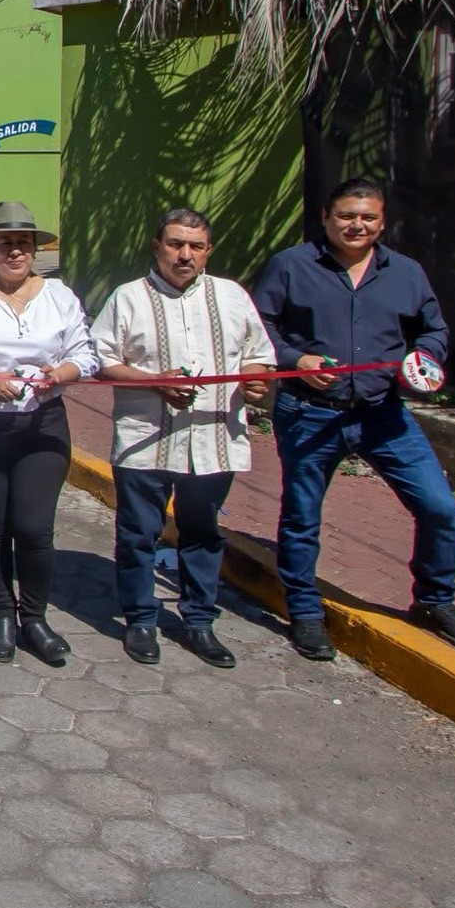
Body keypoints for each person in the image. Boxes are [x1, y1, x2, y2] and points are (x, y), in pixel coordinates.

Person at [252, 177, 455, 658]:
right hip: (309, 414)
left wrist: (424, 358)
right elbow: (259, 326)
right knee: (301, 516)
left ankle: (434, 600)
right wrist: (296, 360)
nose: (356, 225)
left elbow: (433, 330)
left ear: (382, 223)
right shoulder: (291, 266)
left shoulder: (406, 272)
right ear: (325, 217)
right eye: (346, 215)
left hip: (383, 414)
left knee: (440, 508)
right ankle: (305, 612)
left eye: (368, 217)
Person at [93, 208, 275, 668]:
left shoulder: (232, 297)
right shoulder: (128, 297)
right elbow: (102, 360)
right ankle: (140, 619)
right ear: (157, 247)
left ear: (208, 251)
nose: (185, 255)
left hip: (213, 439)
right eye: (175, 244)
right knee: (139, 534)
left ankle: (199, 622)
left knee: (202, 533)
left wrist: (256, 379)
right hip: (145, 440)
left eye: (196, 246)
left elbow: (258, 355)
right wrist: (155, 381)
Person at [0, 201, 99, 666]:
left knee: (34, 527)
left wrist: (61, 373)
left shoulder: (60, 296)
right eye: (6, 243)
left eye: (24, 243)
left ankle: (34, 617)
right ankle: (1, 614)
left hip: (42, 425)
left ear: (35, 250)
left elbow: (86, 353)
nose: (16, 251)